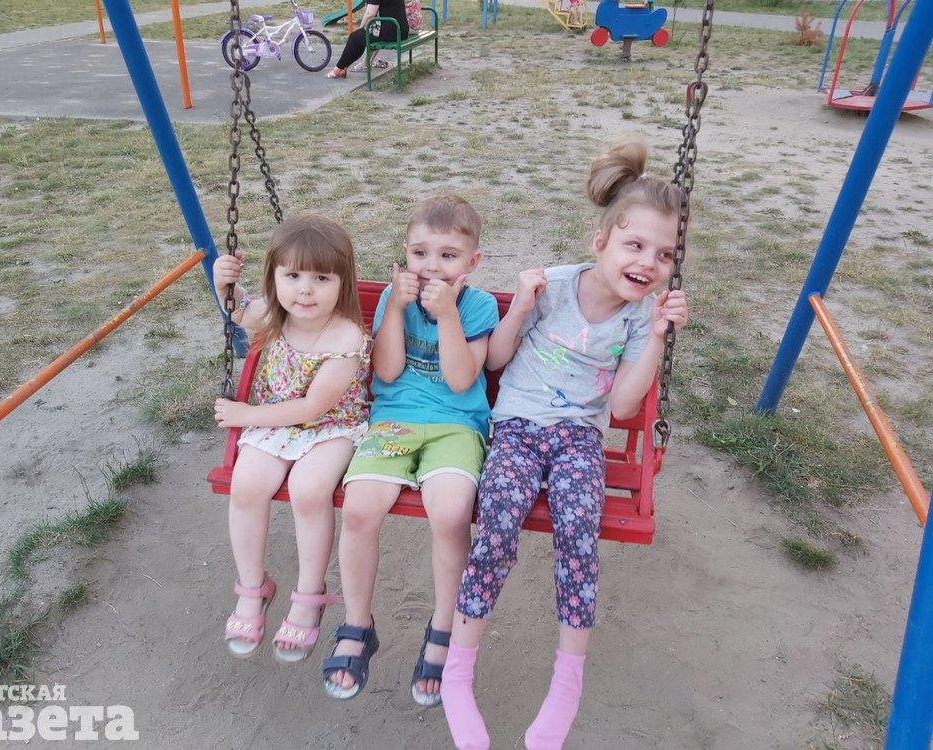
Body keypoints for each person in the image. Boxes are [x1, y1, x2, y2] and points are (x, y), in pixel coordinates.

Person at [439, 141, 691, 749]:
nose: (648, 263)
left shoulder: (640, 317)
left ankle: (566, 683)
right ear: (600, 241)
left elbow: (623, 406)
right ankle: (457, 672)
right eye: (635, 245)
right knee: (496, 524)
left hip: (579, 437)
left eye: (665, 255)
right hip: (517, 427)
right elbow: (495, 360)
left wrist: (659, 336)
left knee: (579, 534)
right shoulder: (551, 286)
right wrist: (520, 306)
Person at [322, 196, 499, 704]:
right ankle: (357, 624)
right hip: (394, 420)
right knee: (359, 510)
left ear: (472, 262)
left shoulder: (479, 307)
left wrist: (446, 316)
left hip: (455, 426)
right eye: (420, 253)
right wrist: (396, 309)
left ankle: (444, 626)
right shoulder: (392, 299)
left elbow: (462, 379)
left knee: (451, 513)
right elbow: (386, 371)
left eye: (448, 256)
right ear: (405, 253)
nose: (432, 267)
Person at [212, 214, 370, 663]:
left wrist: (246, 415)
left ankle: (309, 594)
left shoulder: (346, 336)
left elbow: (314, 407)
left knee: (309, 489)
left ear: (342, 282)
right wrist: (224, 283)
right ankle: (252, 588)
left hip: (331, 427)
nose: (305, 290)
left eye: (321, 278)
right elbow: (237, 311)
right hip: (274, 423)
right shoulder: (274, 315)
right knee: (246, 486)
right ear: (274, 277)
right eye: (293, 276)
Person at [326, 0, 409, 79]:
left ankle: (338, 69)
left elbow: (370, 14)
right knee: (359, 37)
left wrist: (361, 27)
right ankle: (343, 68)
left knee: (355, 37)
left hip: (390, 30)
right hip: (401, 29)